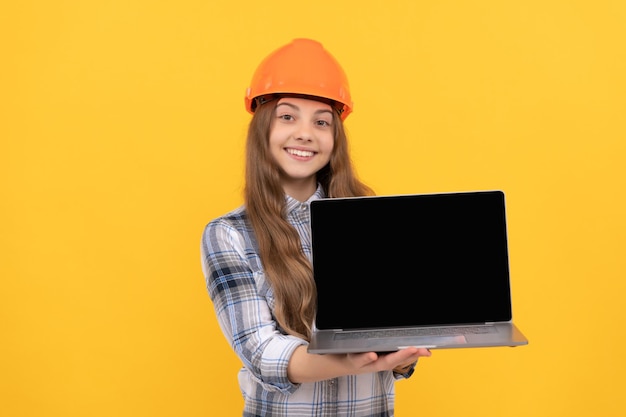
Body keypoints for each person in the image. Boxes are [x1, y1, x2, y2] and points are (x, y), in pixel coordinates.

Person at [200, 38, 431, 416]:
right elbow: (262, 352)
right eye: (287, 116)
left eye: (321, 121)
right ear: (262, 129)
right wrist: (356, 360)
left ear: (335, 138)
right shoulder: (229, 234)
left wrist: (404, 352)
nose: (305, 133)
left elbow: (396, 340)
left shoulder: (372, 223)